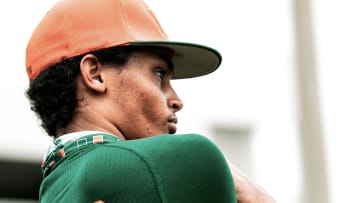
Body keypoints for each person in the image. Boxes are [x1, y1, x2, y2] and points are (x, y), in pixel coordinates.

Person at [25, 0, 275, 202]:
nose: (176, 100)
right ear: (95, 74)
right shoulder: (185, 161)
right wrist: (251, 192)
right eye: (159, 75)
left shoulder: (57, 188)